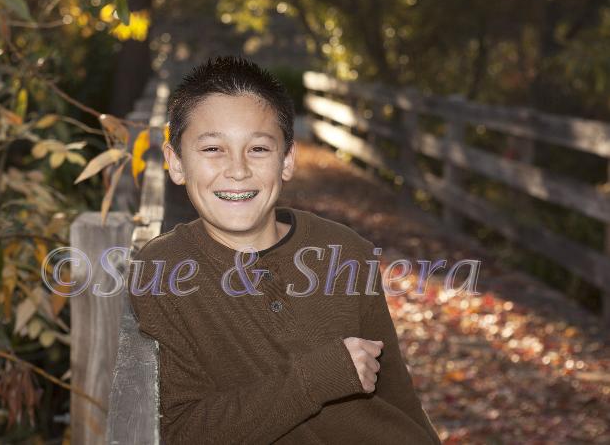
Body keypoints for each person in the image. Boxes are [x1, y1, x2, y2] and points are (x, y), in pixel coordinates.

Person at [126, 55, 441, 444]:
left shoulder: (346, 252)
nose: (238, 169)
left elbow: (399, 396)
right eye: (213, 149)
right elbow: (184, 432)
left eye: (258, 148)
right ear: (175, 162)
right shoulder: (162, 272)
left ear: (287, 161)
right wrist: (318, 376)